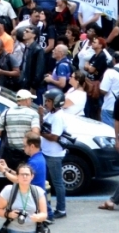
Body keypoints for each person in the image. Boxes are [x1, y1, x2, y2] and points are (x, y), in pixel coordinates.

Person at [39, 89, 69, 219]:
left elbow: (54, 136)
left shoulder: (58, 117)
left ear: (56, 102)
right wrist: (40, 115)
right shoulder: (50, 114)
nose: (46, 103)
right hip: (46, 152)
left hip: (54, 154)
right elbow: (42, 125)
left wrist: (40, 134)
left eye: (49, 101)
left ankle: (61, 209)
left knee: (57, 182)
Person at [0, 162, 48, 233]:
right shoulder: (8, 190)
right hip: (12, 230)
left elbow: (44, 214)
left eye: (27, 174)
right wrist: (9, 214)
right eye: (22, 174)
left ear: (32, 176)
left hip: (33, 230)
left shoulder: (38, 191)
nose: (24, 177)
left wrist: (38, 217)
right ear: (17, 176)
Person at [0, 90, 41, 168]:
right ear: (27, 100)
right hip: (26, 154)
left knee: (11, 176)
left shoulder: (6, 112)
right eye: (31, 99)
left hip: (10, 154)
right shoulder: (33, 114)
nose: (31, 102)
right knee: (25, 178)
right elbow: (35, 133)